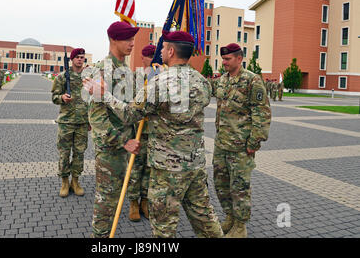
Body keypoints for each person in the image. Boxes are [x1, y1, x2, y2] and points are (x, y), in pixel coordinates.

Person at [85, 30, 223, 238]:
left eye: (165, 47)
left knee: (164, 228)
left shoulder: (160, 83)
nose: (162, 51)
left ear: (171, 51)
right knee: (205, 219)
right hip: (195, 164)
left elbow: (131, 114)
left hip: (168, 168)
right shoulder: (202, 82)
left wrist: (104, 95)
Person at [213, 43, 271, 238]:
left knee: (239, 188)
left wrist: (253, 144)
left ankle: (240, 226)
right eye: (223, 59)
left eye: (228, 59)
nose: (224, 62)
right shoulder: (222, 81)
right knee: (221, 185)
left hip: (240, 148)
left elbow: (262, 113)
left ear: (239, 59)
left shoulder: (252, 81)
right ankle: (229, 217)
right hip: (221, 145)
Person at [87, 21, 139, 238]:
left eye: (133, 39)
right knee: (106, 201)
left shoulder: (125, 69)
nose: (132, 43)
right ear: (114, 40)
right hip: (111, 148)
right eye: (128, 39)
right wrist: (122, 141)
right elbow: (96, 118)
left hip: (124, 147)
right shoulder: (103, 70)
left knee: (116, 198)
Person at [51, 48, 89, 198]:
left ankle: (76, 181)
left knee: (79, 153)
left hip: (82, 122)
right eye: (77, 57)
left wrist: (90, 120)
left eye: (82, 58)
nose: (80, 60)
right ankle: (65, 182)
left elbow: (91, 100)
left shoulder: (87, 78)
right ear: (72, 60)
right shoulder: (61, 77)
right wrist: (62, 98)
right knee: (64, 153)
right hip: (66, 121)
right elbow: (54, 97)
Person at [127, 44, 157, 222]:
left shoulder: (161, 77)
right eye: (149, 56)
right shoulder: (135, 78)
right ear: (143, 58)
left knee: (149, 169)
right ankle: (133, 202)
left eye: (155, 56)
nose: (153, 59)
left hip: (154, 132)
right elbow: (128, 103)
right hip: (137, 130)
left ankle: (145, 200)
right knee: (135, 168)